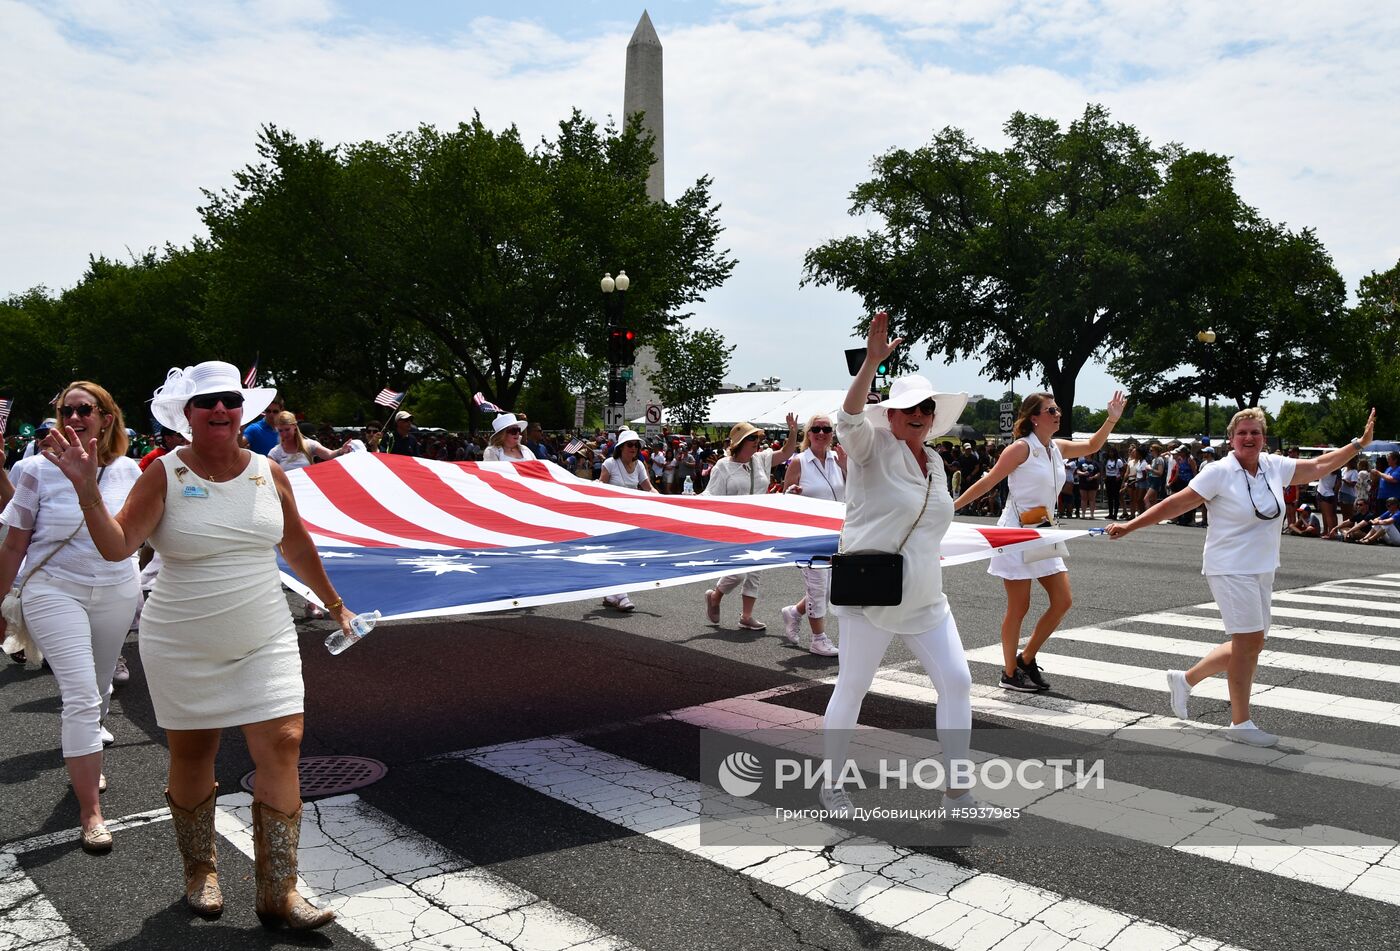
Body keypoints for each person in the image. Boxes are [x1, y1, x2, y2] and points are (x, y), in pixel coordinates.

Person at [44, 361, 347, 928]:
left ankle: (279, 892)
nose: (219, 410)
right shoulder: (163, 473)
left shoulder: (268, 472)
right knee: (193, 753)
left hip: (265, 633)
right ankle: (201, 869)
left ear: (242, 410)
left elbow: (298, 547)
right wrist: (87, 492)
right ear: (187, 414)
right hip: (183, 638)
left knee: (284, 742)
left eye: (229, 400)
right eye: (205, 402)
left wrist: (334, 604)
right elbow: (118, 548)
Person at [1107, 407, 1377, 747]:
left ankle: (1185, 680)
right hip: (1229, 565)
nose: (1249, 438)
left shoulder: (1273, 466)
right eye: (1242, 433)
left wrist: (1357, 444)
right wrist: (1130, 525)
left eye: (1255, 433)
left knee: (1251, 642)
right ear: (1232, 439)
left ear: (1263, 438)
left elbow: (1320, 465)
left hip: (1262, 566)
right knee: (1249, 641)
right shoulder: (1219, 471)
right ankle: (1240, 723)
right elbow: (1177, 502)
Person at [820, 313, 979, 814]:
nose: (919, 415)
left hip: (926, 595)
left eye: (927, 408)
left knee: (957, 682)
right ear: (889, 414)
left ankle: (957, 790)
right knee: (853, 688)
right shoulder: (871, 447)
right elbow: (848, 417)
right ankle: (831, 784)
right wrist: (871, 362)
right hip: (872, 591)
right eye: (909, 407)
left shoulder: (934, 461)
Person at [0, 382, 142, 854]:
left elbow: (149, 537)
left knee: (100, 687)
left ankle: (88, 761)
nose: (75, 418)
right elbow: (15, 544)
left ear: (107, 417)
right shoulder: (37, 469)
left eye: (86, 409)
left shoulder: (131, 471)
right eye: (67, 410)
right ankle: (91, 812)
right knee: (80, 694)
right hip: (53, 590)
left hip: (116, 591)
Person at [955, 390, 1126, 691]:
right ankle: (1009, 673)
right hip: (1016, 532)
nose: (1057, 414)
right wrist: (951, 507)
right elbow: (989, 480)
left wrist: (1111, 418)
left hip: (1043, 527)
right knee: (1019, 607)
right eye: (1050, 410)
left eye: (1057, 409)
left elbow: (1093, 444)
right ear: (1034, 418)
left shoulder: (1056, 448)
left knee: (1063, 600)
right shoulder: (1021, 449)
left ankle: (1026, 658)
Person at [703, 415, 799, 631]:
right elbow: (711, 495)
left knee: (755, 571)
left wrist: (792, 432)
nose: (757, 441)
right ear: (738, 443)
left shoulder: (761, 460)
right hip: (733, 527)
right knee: (739, 572)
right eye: (751, 438)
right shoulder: (723, 466)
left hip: (759, 524)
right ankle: (716, 596)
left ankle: (746, 616)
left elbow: (786, 453)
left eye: (757, 437)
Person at [779, 413, 846, 657]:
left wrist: (847, 466)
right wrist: (792, 492)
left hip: (838, 532)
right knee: (818, 588)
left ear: (832, 433)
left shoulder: (838, 458)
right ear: (808, 434)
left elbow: (853, 489)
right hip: (811, 534)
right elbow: (786, 497)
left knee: (828, 589)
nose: (821, 433)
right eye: (816, 429)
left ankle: (794, 612)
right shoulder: (799, 461)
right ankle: (818, 639)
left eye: (826, 429)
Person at [597, 429, 658, 611]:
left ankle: (612, 592)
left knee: (627, 555)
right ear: (621, 447)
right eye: (630, 444)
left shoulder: (639, 465)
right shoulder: (610, 464)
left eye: (636, 445)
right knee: (617, 554)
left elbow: (649, 488)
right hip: (611, 516)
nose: (634, 448)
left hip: (631, 516)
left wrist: (666, 501)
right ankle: (622, 595)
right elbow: (601, 486)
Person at [267, 411, 351, 471]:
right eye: (280, 431)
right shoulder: (274, 453)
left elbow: (328, 455)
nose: (284, 434)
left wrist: (341, 451)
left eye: (287, 429)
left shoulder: (309, 444)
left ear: (295, 427)